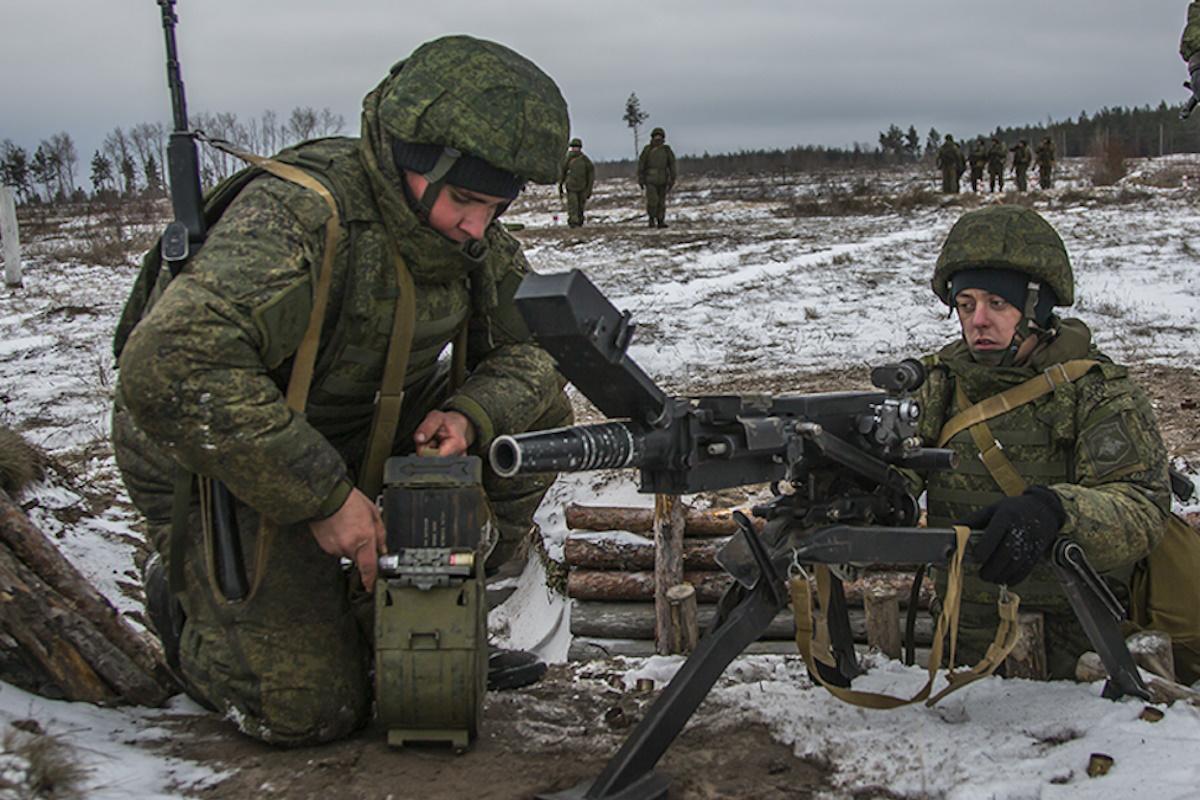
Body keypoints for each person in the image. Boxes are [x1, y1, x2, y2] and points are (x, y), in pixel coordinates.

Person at [111, 35, 574, 746]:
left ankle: (405, 617)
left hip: (360, 430)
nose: (477, 226)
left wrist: (470, 415)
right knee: (308, 711)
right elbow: (169, 366)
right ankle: (189, 603)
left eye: (496, 205)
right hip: (224, 451)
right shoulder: (298, 219)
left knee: (535, 416)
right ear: (411, 161)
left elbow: (540, 345)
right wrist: (323, 498)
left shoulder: (465, 238)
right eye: (464, 199)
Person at [904, 206, 1173, 680]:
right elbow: (896, 471)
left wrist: (1055, 511)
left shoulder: (1095, 390)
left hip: (1078, 659)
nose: (978, 321)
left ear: (1037, 309)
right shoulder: (937, 384)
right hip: (961, 652)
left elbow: (1142, 509)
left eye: (997, 304)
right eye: (965, 304)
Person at [637, 127, 676, 228]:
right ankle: (651, 219)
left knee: (661, 202)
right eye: (656, 136)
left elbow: (672, 165)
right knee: (653, 201)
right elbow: (641, 164)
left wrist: (672, 178)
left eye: (660, 136)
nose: (658, 138)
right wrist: (641, 178)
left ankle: (660, 220)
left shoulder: (666, 150)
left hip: (663, 179)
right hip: (650, 180)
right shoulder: (647, 149)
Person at [558, 137, 595, 227]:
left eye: (576, 147)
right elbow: (562, 173)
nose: (575, 149)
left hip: (582, 187)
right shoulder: (567, 159)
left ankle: (579, 221)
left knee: (580, 207)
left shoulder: (585, 160)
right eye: (573, 147)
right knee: (573, 206)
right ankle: (573, 222)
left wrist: (589, 189)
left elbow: (591, 175)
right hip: (571, 187)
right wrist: (560, 186)